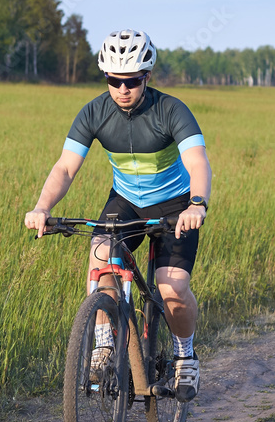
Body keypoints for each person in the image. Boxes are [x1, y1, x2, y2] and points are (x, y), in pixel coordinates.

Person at [24, 29, 212, 401]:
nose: (122, 88)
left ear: (147, 77)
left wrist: (197, 203)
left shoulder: (171, 110)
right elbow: (65, 168)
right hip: (126, 201)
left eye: (131, 81)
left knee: (171, 289)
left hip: (175, 205)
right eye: (114, 80)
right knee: (100, 260)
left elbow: (197, 161)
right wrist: (43, 207)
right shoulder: (94, 111)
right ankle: (104, 344)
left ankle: (185, 354)